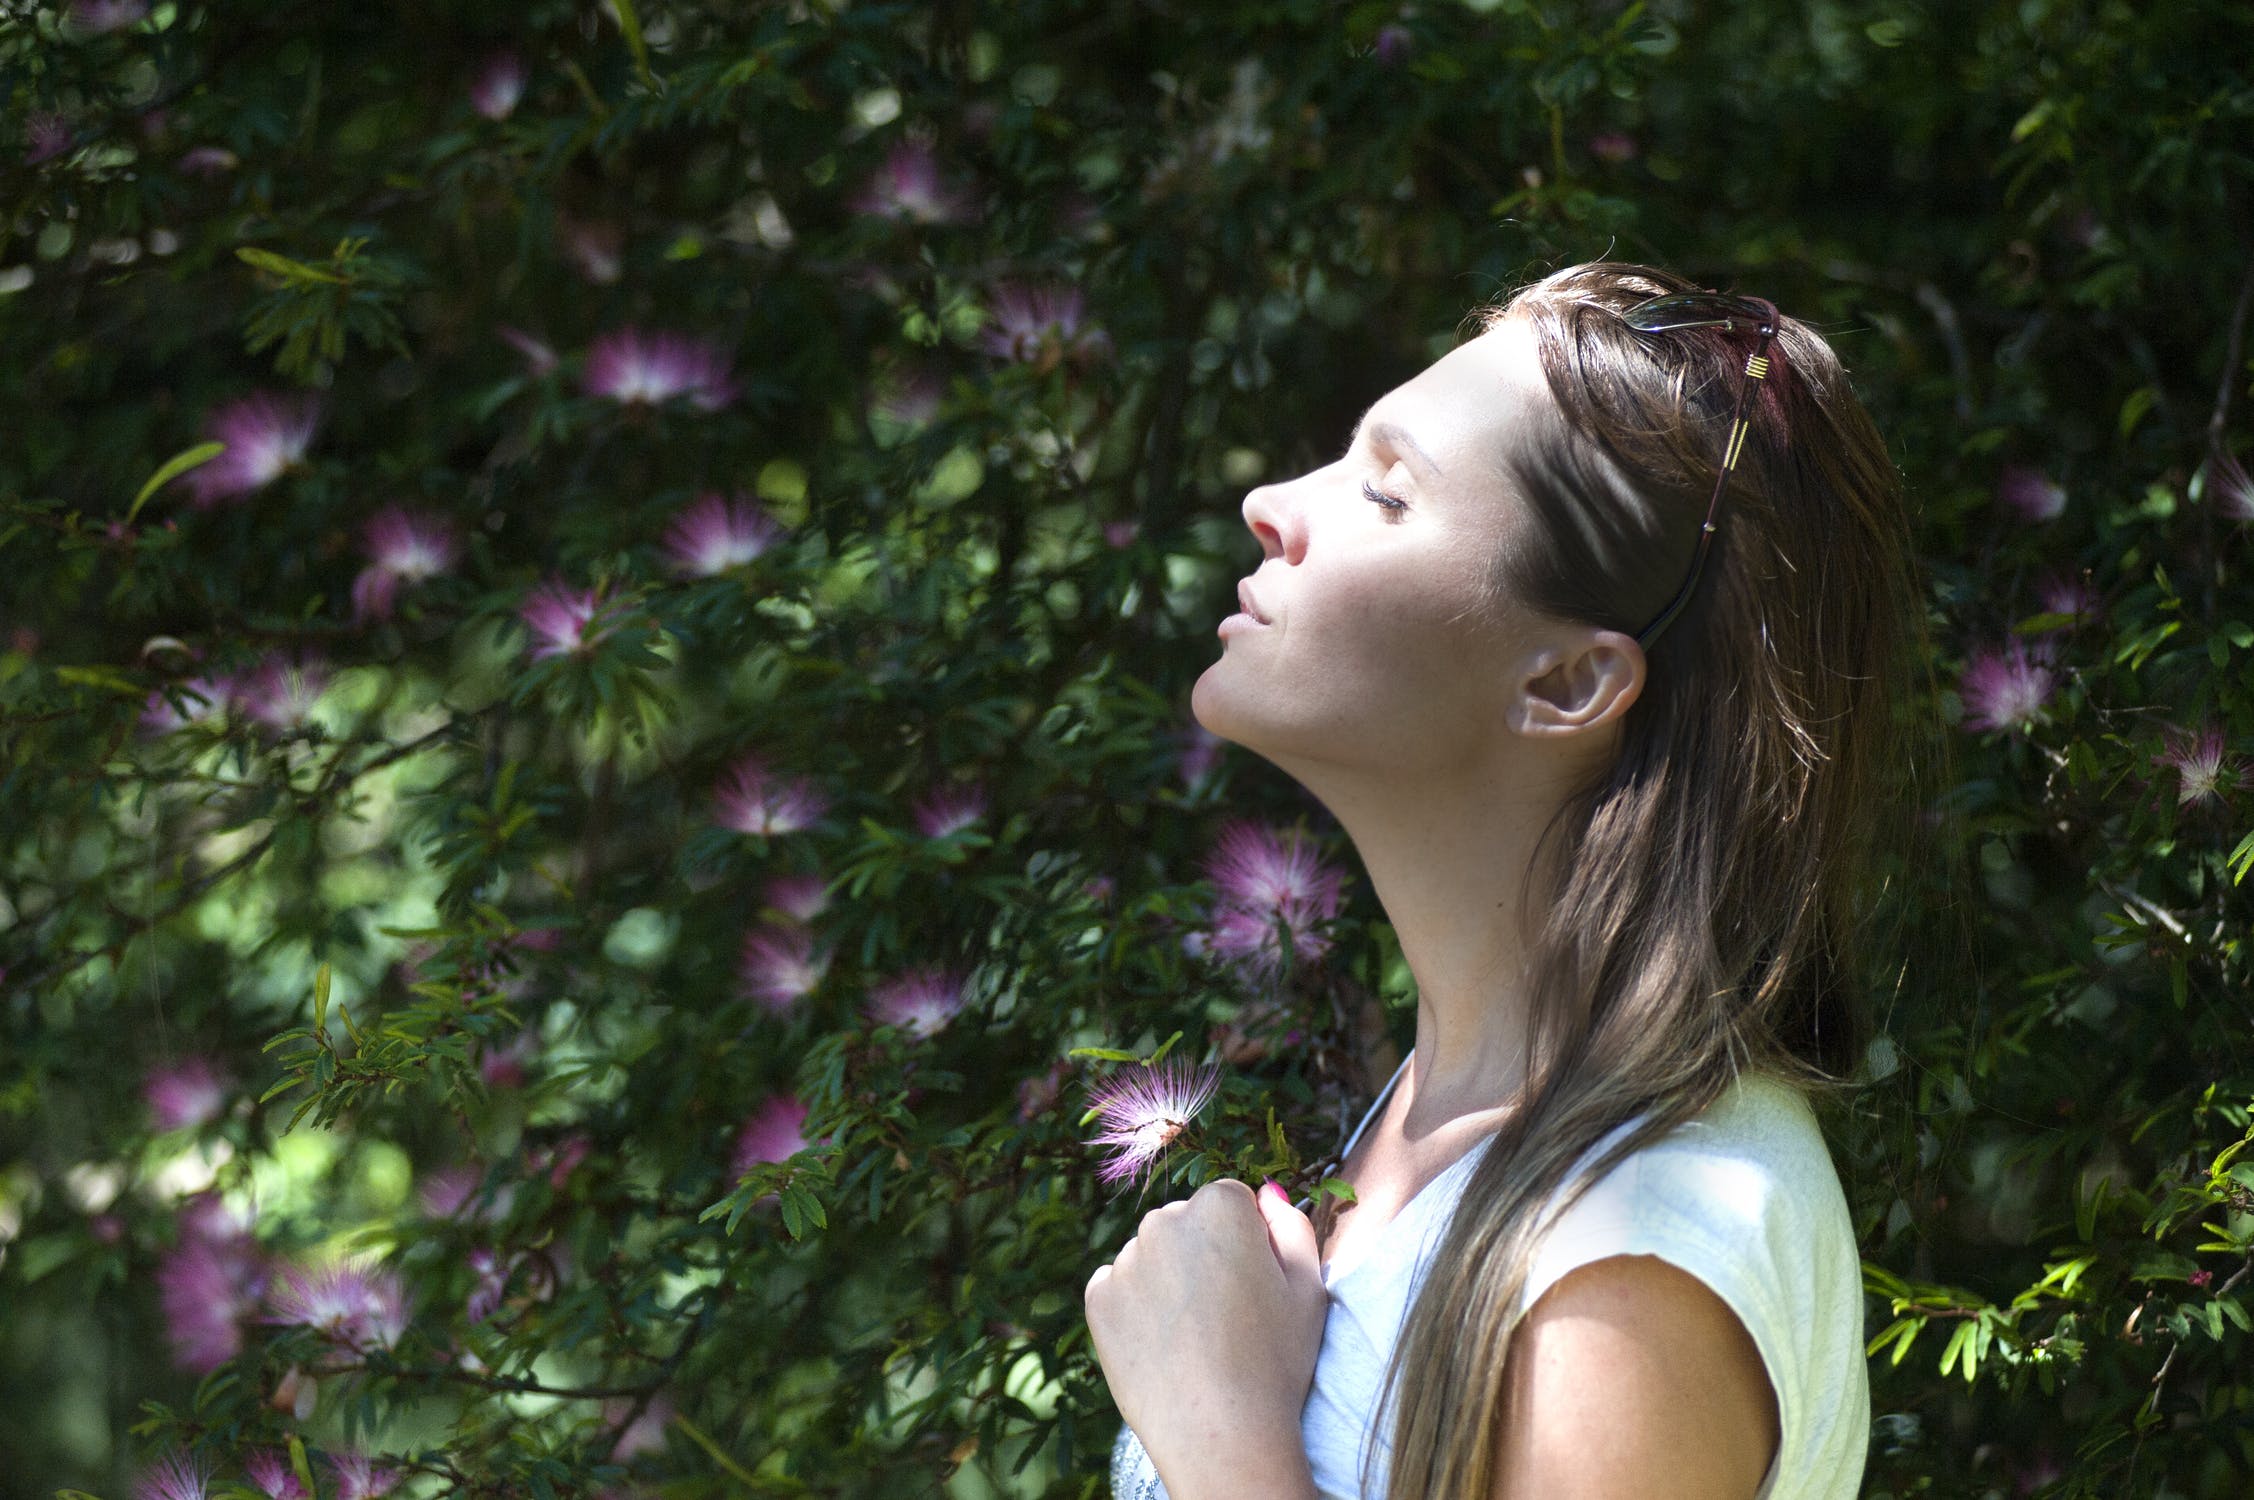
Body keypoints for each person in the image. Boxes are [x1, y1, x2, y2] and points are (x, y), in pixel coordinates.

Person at [1086, 260, 1929, 1500]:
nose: (1271, 502)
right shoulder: (1454, 1120)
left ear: (1567, 687)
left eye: (1385, 492)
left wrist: (1218, 1435)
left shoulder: (1636, 1252)